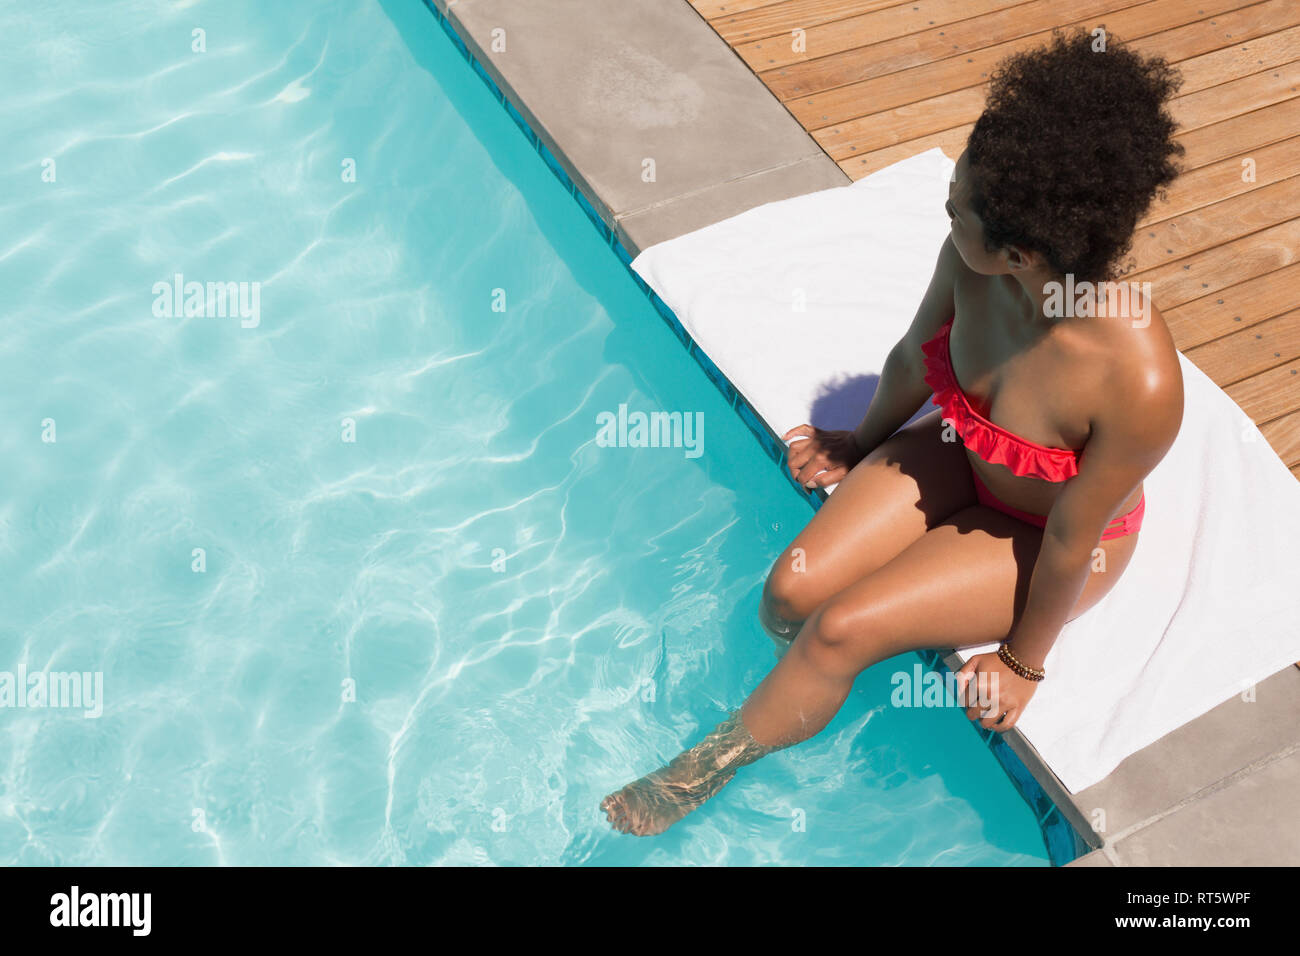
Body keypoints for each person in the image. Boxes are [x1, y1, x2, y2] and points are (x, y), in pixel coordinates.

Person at [602, 29, 1185, 837]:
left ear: (1018, 251)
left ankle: (697, 776)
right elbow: (916, 356)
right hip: (966, 455)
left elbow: (1069, 542)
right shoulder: (969, 261)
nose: (945, 207)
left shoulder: (1138, 381)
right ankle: (799, 690)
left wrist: (1021, 664)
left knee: (842, 626)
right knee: (791, 592)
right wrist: (858, 439)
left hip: (1052, 535)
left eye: (958, 202)